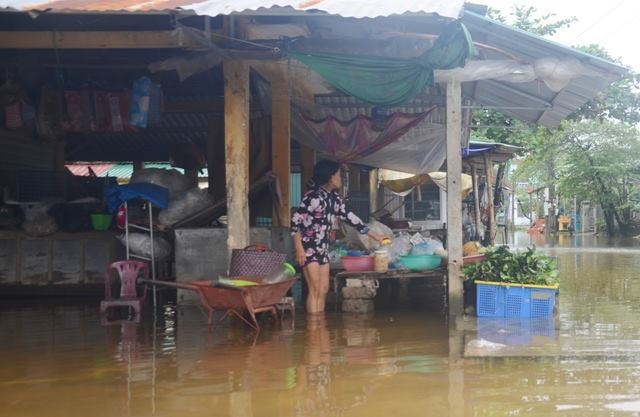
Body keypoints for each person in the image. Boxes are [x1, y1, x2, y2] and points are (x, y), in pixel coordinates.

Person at [291, 160, 386, 314]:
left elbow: (351, 218)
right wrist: (299, 248)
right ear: (330, 177)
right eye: (338, 175)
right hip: (309, 250)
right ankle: (314, 331)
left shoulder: (334, 199)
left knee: (323, 290)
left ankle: (319, 329)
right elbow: (295, 222)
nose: (340, 178)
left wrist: (376, 235)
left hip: (322, 250)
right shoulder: (312, 197)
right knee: (314, 290)